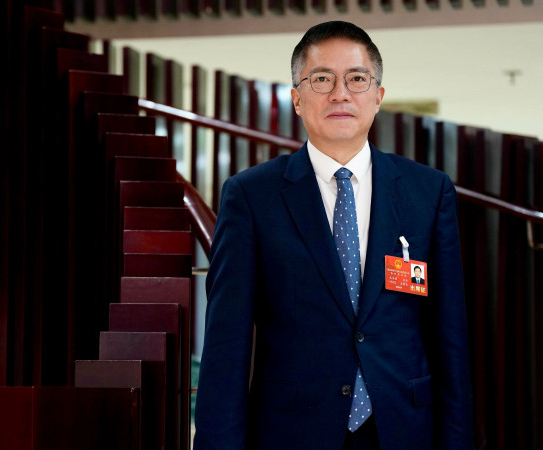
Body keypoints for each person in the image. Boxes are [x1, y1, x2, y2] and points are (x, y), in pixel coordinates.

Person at [194, 21, 473, 450]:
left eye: (357, 79)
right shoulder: (251, 196)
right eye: (322, 79)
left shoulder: (428, 192)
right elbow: (225, 345)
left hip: (404, 427)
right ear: (297, 99)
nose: (341, 93)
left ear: (378, 96)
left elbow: (449, 335)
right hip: (292, 433)